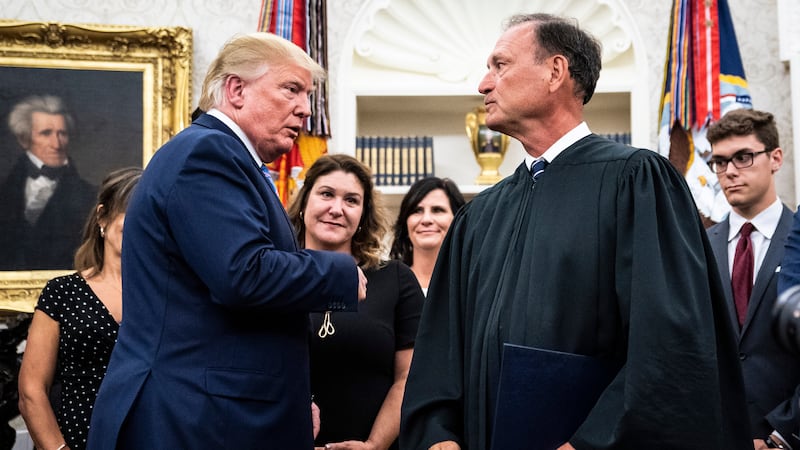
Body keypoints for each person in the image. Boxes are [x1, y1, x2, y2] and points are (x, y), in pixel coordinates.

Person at [400, 13, 750, 450]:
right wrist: (438, 439)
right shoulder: (479, 217)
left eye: (500, 65)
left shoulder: (636, 182)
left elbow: (669, 346)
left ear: (555, 72)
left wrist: (588, 444)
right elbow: (439, 356)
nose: (483, 84)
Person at [85, 32, 367, 449]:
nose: (306, 110)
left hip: (211, 415)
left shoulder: (221, 156)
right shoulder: (208, 154)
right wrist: (341, 273)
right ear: (236, 90)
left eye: (308, 95)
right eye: (291, 89)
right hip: (190, 419)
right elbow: (243, 273)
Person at [287, 154, 424, 450]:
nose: (336, 209)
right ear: (304, 202)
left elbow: (410, 378)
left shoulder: (395, 279)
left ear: (363, 215)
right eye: (326, 194)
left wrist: (374, 445)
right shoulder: (275, 277)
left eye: (351, 200)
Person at [17, 167, 142, 450]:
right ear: (102, 217)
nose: (138, 223)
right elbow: (31, 390)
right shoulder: (62, 292)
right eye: (129, 211)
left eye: (147, 215)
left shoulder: (167, 294)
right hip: (74, 440)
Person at [705, 109, 800, 450]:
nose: (729, 172)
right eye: (719, 162)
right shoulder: (697, 248)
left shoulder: (798, 240)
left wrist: (781, 435)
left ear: (775, 158)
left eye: (743, 158)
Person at [0, 95, 96, 270]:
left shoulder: (90, 196)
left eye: (62, 134)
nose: (57, 143)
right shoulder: (5, 189)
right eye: (46, 133)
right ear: (24, 139)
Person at [389, 177, 465, 294]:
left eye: (437, 210)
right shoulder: (388, 284)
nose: (426, 219)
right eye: (417, 210)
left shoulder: (469, 286)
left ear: (457, 220)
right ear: (405, 222)